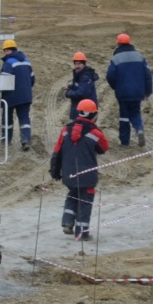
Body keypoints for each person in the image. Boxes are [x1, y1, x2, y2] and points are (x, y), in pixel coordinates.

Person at [49, 98, 109, 240]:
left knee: (73, 193)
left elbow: (57, 151)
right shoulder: (95, 133)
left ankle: (67, 222)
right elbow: (104, 148)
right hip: (87, 175)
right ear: (93, 115)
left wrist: (55, 170)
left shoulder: (65, 130)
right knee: (85, 201)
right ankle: (82, 233)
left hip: (69, 173)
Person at [104, 33, 153, 147]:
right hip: (138, 92)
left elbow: (110, 76)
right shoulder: (139, 57)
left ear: (118, 44)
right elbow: (148, 75)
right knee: (135, 112)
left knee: (124, 115)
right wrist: (148, 91)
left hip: (123, 93)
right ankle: (139, 129)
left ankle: (125, 141)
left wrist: (115, 87)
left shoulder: (116, 58)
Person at [0, 39, 35, 151]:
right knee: (24, 119)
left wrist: (0, 95)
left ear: (7, 50)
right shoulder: (27, 61)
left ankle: (6, 139)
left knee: (7, 120)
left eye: (5, 50)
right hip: (26, 96)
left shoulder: (9, 63)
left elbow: (4, 82)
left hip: (10, 97)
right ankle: (26, 140)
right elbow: (32, 79)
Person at [64, 52, 99, 121]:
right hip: (81, 109)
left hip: (86, 112)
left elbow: (81, 93)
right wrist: (71, 87)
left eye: (79, 63)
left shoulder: (85, 77)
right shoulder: (80, 74)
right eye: (75, 64)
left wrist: (68, 93)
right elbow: (80, 86)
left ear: (84, 64)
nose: (77, 66)